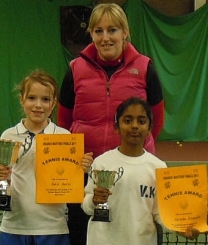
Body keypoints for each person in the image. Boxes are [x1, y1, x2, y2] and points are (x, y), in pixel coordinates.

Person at [58, 3, 164, 244]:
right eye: (98, 31)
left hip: (134, 173)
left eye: (113, 30)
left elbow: (155, 119)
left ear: (125, 32)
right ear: (92, 34)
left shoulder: (145, 67)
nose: (105, 38)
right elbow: (64, 121)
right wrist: (79, 159)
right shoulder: (74, 69)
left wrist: (136, 155)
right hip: (86, 173)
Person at [0, 70, 93, 245]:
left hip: (53, 228)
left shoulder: (64, 137)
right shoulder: (8, 136)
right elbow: (5, 181)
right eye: (32, 98)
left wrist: (82, 167)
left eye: (45, 99)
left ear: (53, 103)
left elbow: (72, 185)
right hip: (13, 227)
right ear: (22, 99)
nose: (38, 105)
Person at [82, 97, 200, 245]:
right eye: (127, 121)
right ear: (116, 127)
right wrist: (93, 201)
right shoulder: (101, 163)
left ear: (150, 128)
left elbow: (160, 212)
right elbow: (86, 206)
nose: (135, 126)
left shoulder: (158, 167)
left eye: (142, 121)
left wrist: (180, 227)